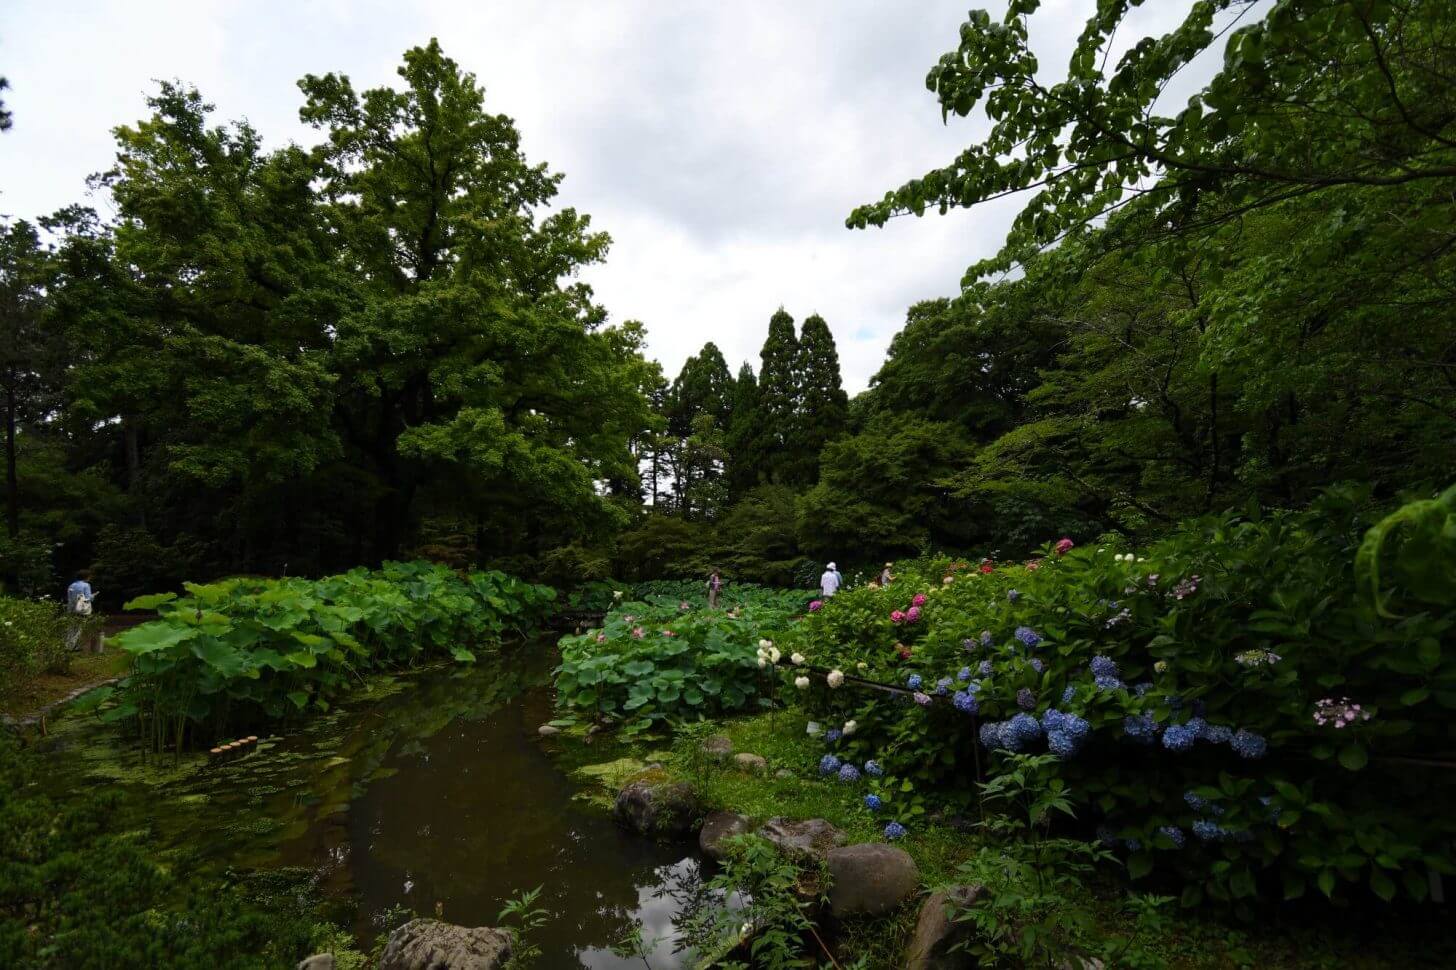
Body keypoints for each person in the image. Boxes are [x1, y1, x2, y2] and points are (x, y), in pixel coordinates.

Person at [65, 571, 97, 652]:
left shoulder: (71, 585)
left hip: (71, 609)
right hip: (81, 609)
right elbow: (87, 598)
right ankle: (73, 647)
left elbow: (70, 598)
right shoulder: (86, 585)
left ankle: (68, 646)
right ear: (86, 577)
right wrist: (93, 596)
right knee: (79, 628)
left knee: (71, 628)